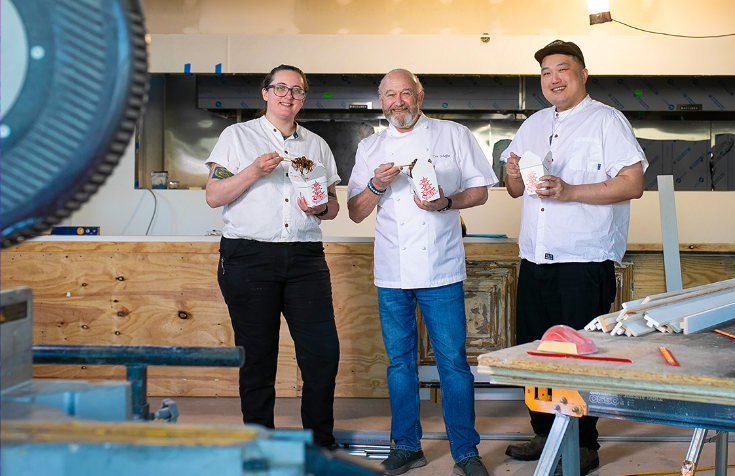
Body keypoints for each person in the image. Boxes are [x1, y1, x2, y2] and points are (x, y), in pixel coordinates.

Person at [501, 40, 648, 475]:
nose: (553, 79)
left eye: (562, 69)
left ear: (583, 74)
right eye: (546, 72)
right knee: (536, 353)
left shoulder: (607, 121)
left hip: (583, 263)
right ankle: (544, 434)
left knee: (581, 356)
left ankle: (583, 444)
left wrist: (569, 190)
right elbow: (514, 190)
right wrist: (510, 174)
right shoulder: (532, 124)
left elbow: (632, 183)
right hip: (535, 261)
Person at [348, 69, 497, 476]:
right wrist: (377, 186)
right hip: (392, 272)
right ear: (382, 102)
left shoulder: (453, 135)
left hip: (442, 269)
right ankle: (407, 445)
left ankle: (466, 451)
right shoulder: (370, 147)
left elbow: (480, 190)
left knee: (453, 363)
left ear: (420, 95)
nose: (399, 101)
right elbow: (356, 211)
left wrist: (445, 203)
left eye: (406, 93)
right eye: (390, 95)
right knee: (399, 364)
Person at [204, 64, 341, 449]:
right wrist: (252, 171)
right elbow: (214, 196)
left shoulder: (316, 144)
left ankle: (320, 445)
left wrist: (320, 208)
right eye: (280, 87)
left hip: (305, 258)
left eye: (297, 90)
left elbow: (333, 207)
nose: (288, 95)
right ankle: (260, 444)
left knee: (322, 356)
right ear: (265, 93)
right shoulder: (237, 136)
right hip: (248, 257)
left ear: (303, 99)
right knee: (258, 357)